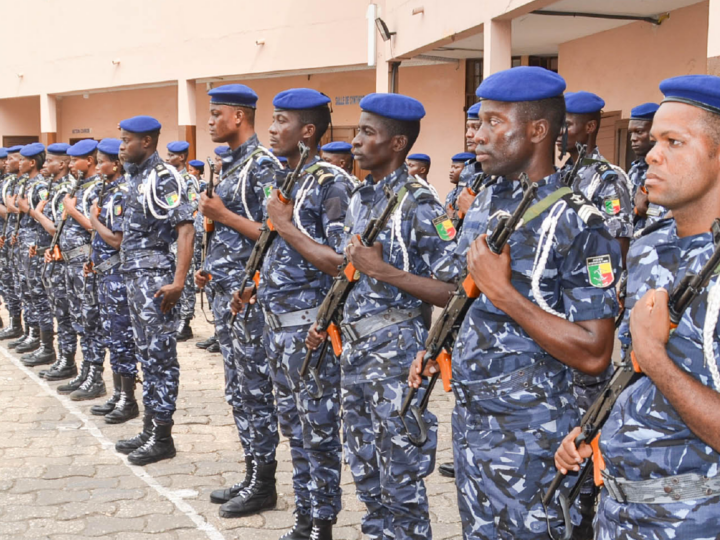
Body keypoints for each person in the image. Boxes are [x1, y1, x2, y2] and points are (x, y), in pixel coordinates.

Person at [409, 66, 622, 539]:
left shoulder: (578, 222)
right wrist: (436, 347)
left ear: (537, 130)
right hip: (472, 424)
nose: (476, 134)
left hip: (536, 440)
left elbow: (595, 353)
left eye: (492, 123)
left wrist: (504, 294)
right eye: (477, 122)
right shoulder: (486, 202)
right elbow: (469, 297)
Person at [555, 74, 720, 540]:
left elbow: (650, 360)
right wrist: (596, 427)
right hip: (622, 512)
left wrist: (656, 359)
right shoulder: (650, 244)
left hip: (696, 520)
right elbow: (634, 372)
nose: (650, 154)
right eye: (653, 140)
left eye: (674, 141)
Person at [306, 92, 458, 539]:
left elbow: (455, 291)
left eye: (367, 133)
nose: (355, 141)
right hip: (355, 356)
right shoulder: (361, 197)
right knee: (368, 476)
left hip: (396, 362)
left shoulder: (420, 204)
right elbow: (352, 275)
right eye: (357, 131)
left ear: (396, 144)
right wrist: (325, 320)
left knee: (401, 483)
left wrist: (385, 271)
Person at [232, 87, 354, 539]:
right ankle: (304, 518)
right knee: (295, 430)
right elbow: (280, 251)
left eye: (282, 121)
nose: (272, 127)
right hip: (276, 328)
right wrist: (252, 285)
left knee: (318, 432)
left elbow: (345, 264)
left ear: (307, 131)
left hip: (312, 334)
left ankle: (321, 523)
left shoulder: (331, 182)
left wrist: (283, 224)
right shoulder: (288, 181)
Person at [192, 84, 282, 518]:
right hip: (228, 296)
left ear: (239, 118)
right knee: (238, 391)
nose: (209, 122)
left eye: (215, 114)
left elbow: (277, 233)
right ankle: (252, 473)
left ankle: (264, 483)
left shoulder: (262, 166)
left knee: (254, 390)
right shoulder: (228, 166)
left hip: (251, 299)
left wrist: (223, 216)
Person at [114, 115, 194, 466]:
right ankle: (150, 428)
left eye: (126, 140)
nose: (121, 147)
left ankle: (163, 435)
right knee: (147, 354)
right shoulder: (136, 177)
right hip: (134, 277)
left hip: (155, 280)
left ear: (146, 142)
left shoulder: (163, 177)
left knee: (160, 357)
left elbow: (186, 229)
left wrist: (178, 282)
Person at [84, 138, 139, 424]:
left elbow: (117, 240)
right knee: (112, 336)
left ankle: (128, 400)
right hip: (105, 274)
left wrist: (93, 220)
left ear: (114, 164)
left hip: (117, 276)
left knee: (121, 337)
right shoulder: (106, 191)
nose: (97, 165)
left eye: (101, 160)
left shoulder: (120, 193)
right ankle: (118, 395)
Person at [49, 140, 106, 401]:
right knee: (78, 319)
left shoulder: (96, 188)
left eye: (75, 161)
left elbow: (96, 228)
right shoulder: (78, 186)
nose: (71, 165)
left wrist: (71, 211)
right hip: (70, 263)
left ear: (89, 161)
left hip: (86, 263)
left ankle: (96, 375)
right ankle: (84, 371)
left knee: (90, 320)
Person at [35, 144, 79, 380]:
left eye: (49, 161)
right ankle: (64, 358)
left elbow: (55, 229)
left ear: (60, 164)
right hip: (57, 258)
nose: (44, 165)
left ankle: (68, 361)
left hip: (67, 261)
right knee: (60, 312)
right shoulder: (55, 188)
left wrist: (36, 214)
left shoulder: (66, 190)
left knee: (65, 313)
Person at [14, 144, 54, 362]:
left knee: (38, 294)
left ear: (32, 163)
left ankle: (45, 344)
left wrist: (24, 208)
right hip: (26, 243)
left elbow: (44, 219)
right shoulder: (27, 183)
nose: (19, 163)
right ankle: (33, 334)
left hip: (37, 246)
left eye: (22, 160)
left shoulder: (40, 186)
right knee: (27, 291)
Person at [167, 140, 199, 342]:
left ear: (181, 157)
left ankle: (185, 321)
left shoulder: (189, 180)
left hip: (184, 234)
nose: (168, 158)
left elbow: (194, 204)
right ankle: (177, 315)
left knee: (185, 278)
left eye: (171, 155)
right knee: (174, 276)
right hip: (171, 235)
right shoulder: (170, 179)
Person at [626, 103, 665, 234]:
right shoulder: (635, 170)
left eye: (639, 132)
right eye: (631, 133)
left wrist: (646, 209)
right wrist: (637, 209)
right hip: (636, 247)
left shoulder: (670, 169)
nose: (633, 139)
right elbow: (623, 217)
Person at [0, 146, 26, 341]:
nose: (7, 163)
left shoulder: (24, 184)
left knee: (20, 284)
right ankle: (14, 322)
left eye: (10, 159)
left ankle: (23, 328)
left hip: (18, 239)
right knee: (8, 282)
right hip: (8, 236)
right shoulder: (10, 181)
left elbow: (14, 211)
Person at [455, 102, 485, 220]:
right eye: (468, 127)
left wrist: (473, 210)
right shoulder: (469, 168)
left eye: (476, 127)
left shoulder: (499, 172)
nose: (468, 134)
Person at [445, 152, 474, 220]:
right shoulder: (451, 194)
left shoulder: (474, 193)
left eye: (456, 167)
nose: (451, 171)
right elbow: (442, 228)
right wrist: (449, 219)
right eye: (451, 167)